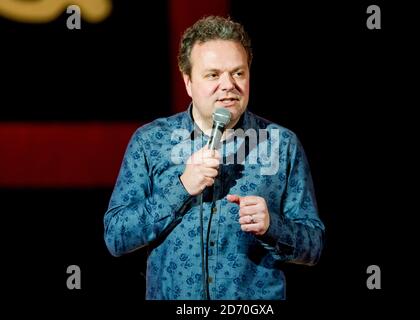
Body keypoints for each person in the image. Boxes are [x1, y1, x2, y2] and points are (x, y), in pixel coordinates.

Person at [104, 15, 325, 300]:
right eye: (213, 75)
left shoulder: (281, 144)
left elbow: (314, 245)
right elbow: (116, 237)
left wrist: (273, 227)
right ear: (188, 82)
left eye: (238, 73)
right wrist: (181, 188)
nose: (228, 85)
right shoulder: (151, 141)